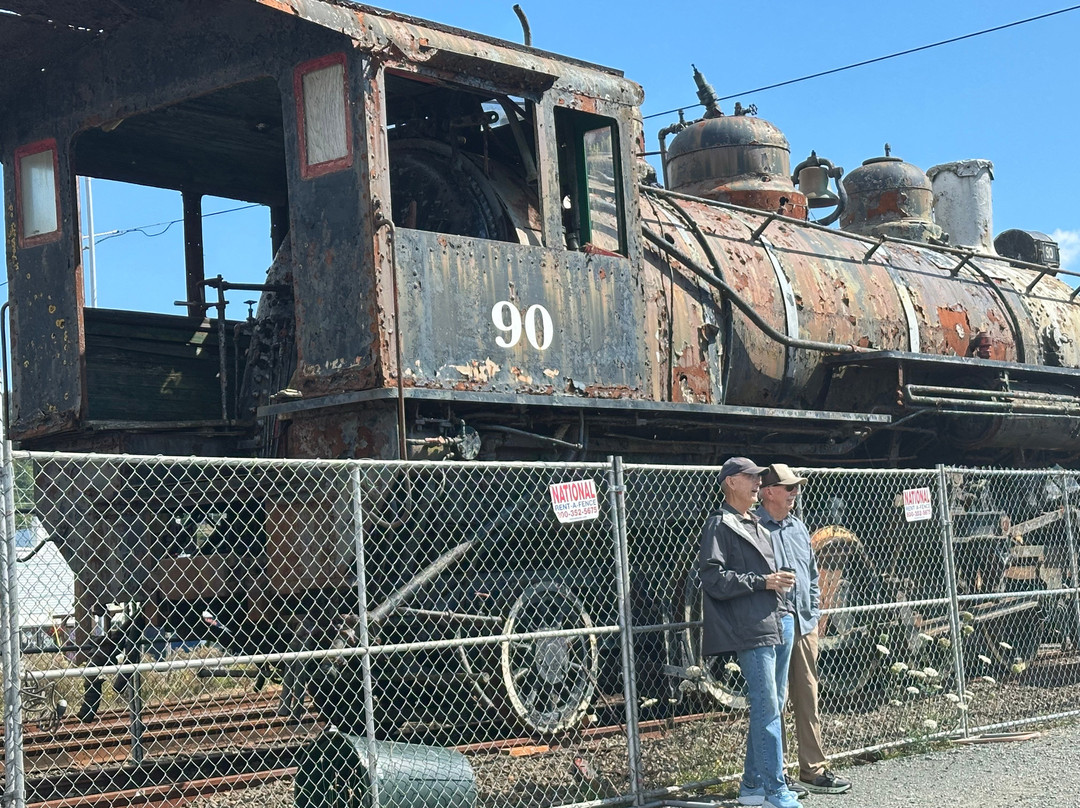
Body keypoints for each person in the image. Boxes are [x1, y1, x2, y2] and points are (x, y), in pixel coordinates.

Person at [699, 457, 799, 808]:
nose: (758, 482)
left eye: (759, 477)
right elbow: (712, 579)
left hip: (772, 620)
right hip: (750, 626)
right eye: (750, 477)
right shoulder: (719, 525)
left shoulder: (754, 522)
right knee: (767, 706)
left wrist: (778, 585)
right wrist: (764, 581)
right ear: (730, 483)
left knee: (772, 704)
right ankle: (775, 790)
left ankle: (753, 786)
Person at [756, 463, 853, 796]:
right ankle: (778, 774)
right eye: (789, 488)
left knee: (808, 695)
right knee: (775, 700)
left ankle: (813, 769)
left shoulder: (797, 527)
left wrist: (813, 611)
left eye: (796, 487)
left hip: (803, 623)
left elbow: (811, 573)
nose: (795, 493)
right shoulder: (753, 527)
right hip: (773, 625)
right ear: (769, 492)